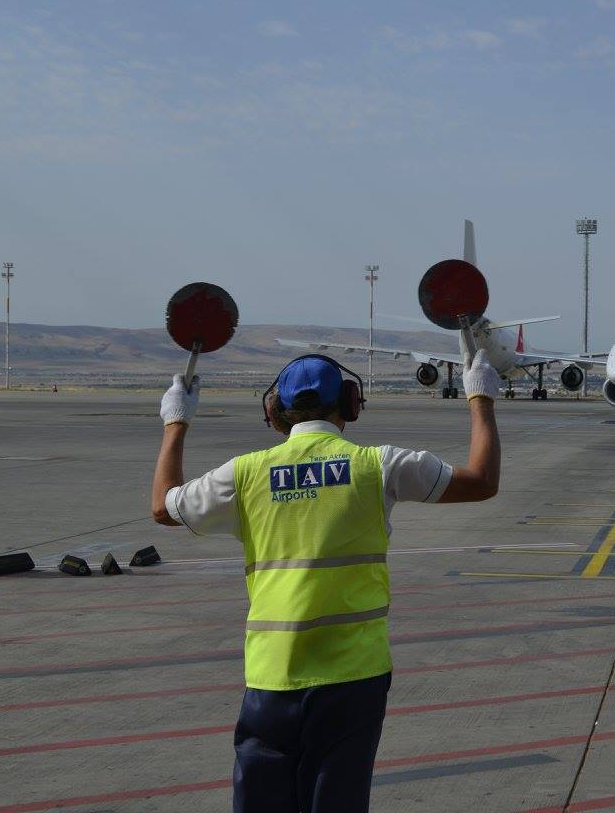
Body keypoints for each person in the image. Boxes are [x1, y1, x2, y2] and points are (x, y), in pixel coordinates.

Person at [150, 347, 501, 813]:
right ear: (351, 404)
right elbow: (481, 480)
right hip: (354, 678)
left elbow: (163, 506)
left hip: (272, 677)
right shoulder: (380, 466)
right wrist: (480, 400)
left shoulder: (245, 474)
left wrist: (176, 422)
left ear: (274, 411)